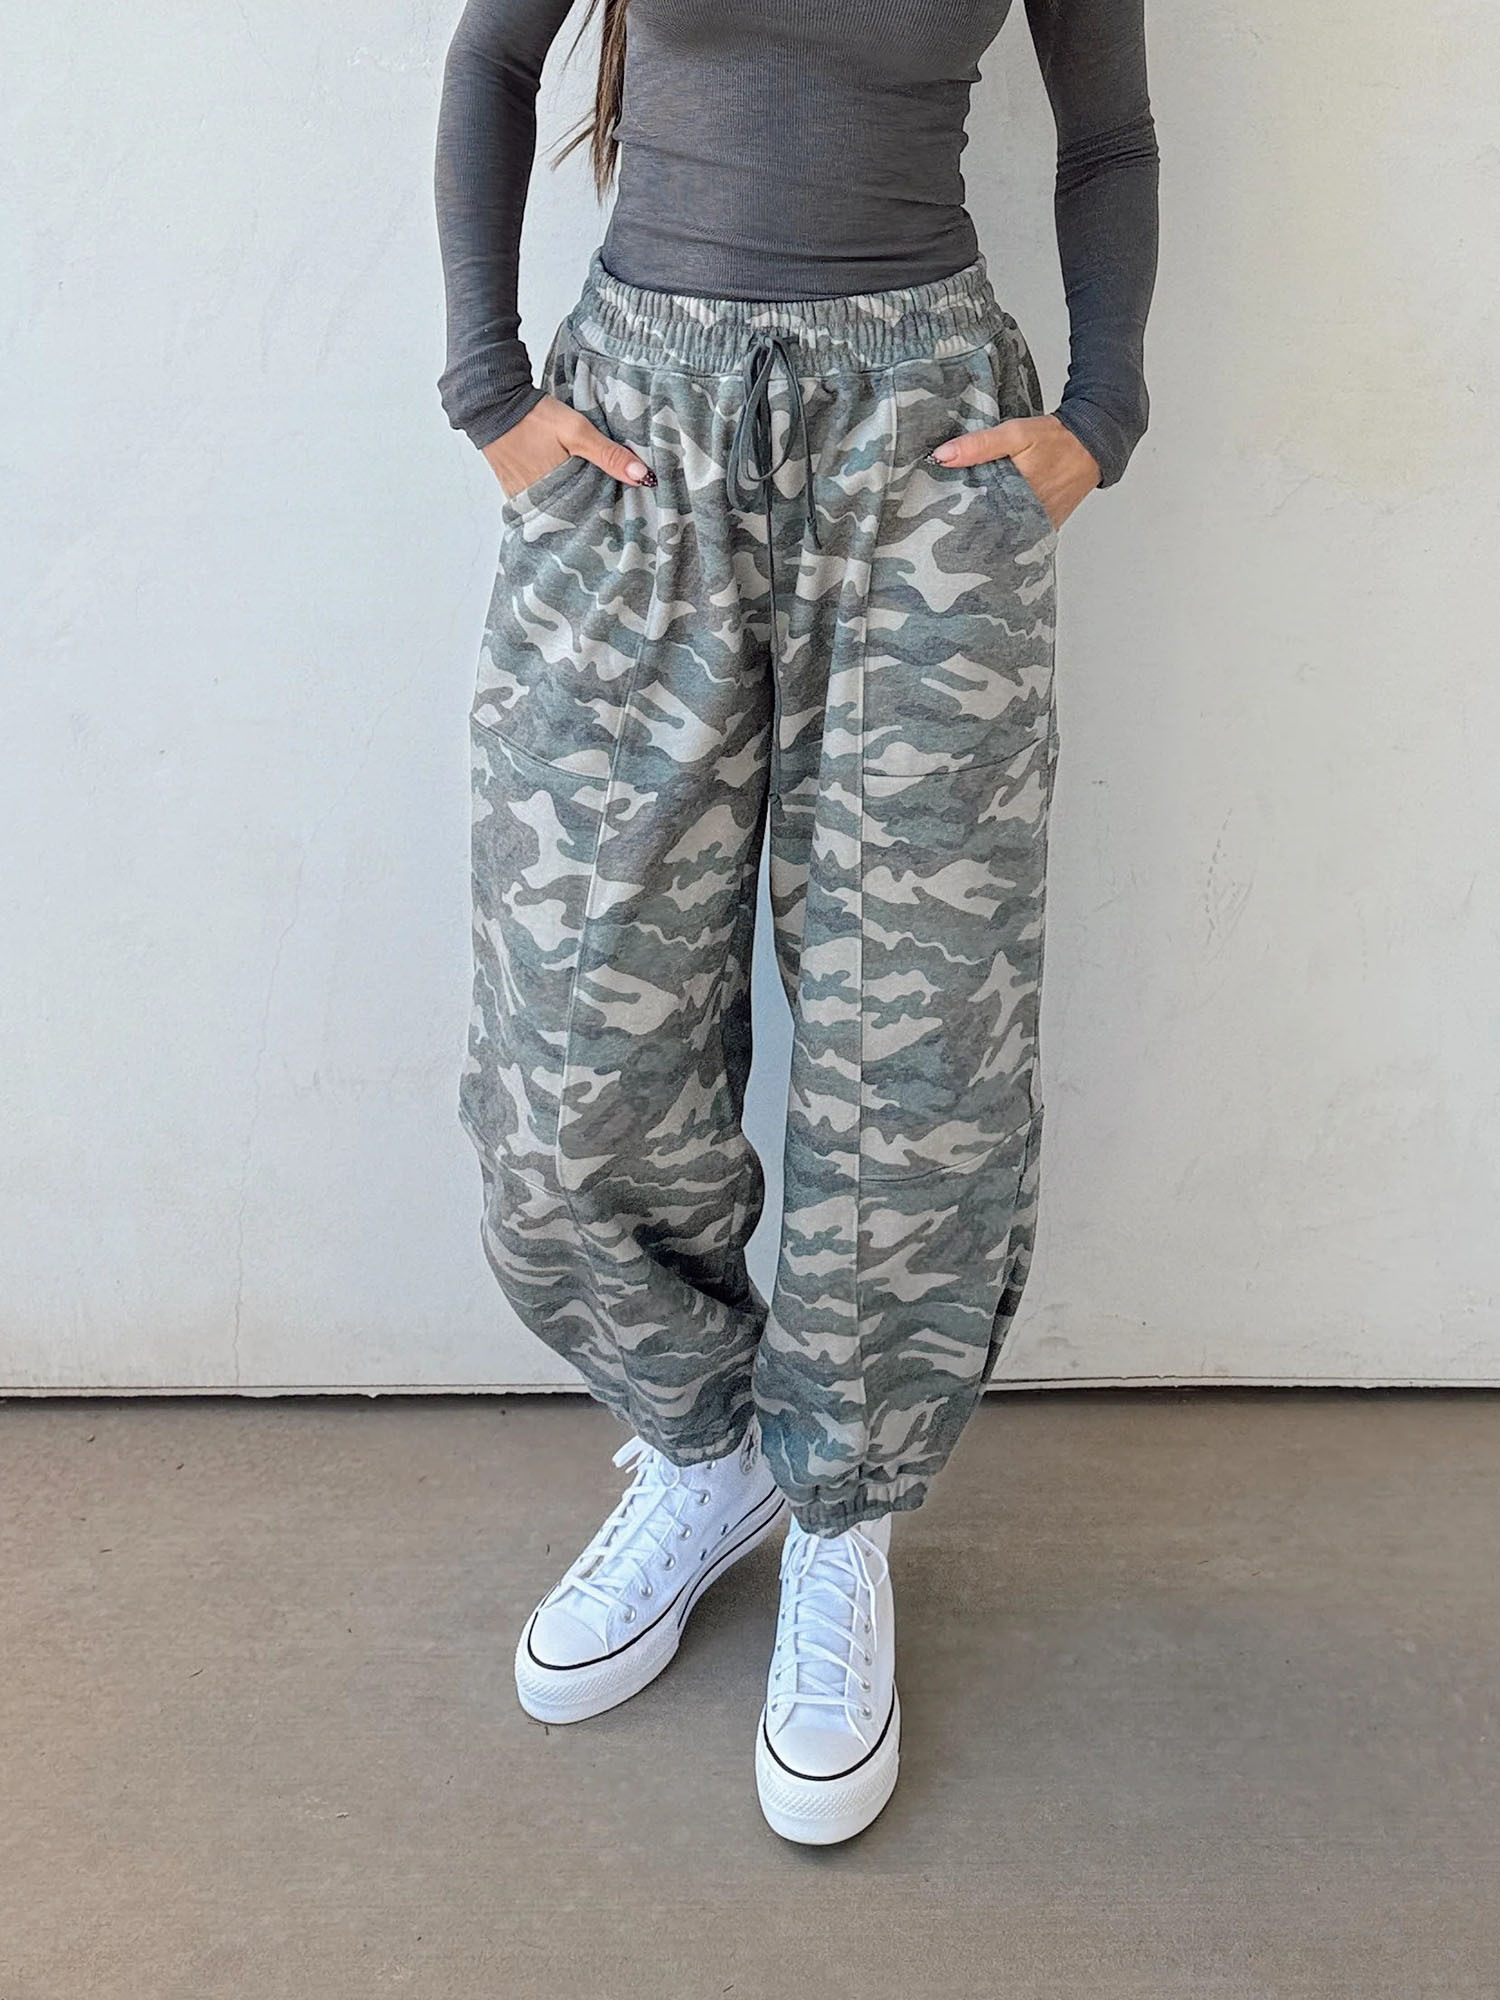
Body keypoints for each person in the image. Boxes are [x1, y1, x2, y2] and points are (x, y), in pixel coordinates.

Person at [433, 0, 1159, 1845]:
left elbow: (1108, 135)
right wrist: (487, 389)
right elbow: (494, 60)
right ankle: (712, 1452)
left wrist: (1103, 414)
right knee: (569, 1061)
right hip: (634, 443)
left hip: (925, 451)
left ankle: (844, 1511)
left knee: (914, 1047)